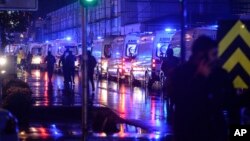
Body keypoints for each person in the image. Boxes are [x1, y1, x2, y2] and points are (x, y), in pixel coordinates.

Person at [168, 35, 238, 141]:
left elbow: (231, 103)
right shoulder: (180, 74)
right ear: (201, 55)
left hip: (215, 133)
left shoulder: (220, 74)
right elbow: (182, 102)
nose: (216, 58)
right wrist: (200, 78)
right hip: (189, 133)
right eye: (214, 54)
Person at [161, 47, 180, 114]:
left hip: (172, 77)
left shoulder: (168, 60)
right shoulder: (175, 59)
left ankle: (169, 98)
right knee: (166, 87)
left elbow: (162, 68)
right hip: (172, 77)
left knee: (166, 87)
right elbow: (162, 68)